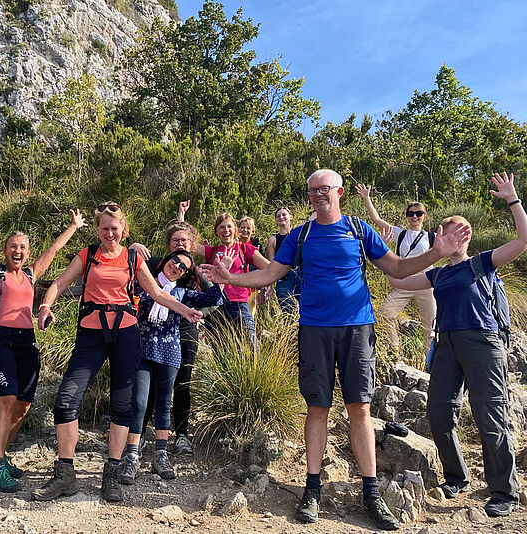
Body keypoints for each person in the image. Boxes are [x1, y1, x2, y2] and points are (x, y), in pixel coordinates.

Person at [200, 169, 471, 531]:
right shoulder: (300, 234)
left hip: (358, 328)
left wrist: (437, 253)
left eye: (323, 189)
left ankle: (370, 492)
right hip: (315, 329)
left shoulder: (359, 229)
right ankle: (312, 488)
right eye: (311, 190)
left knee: (360, 407)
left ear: (339, 192)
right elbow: (271, 274)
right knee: (317, 407)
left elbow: (398, 268)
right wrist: (232, 279)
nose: (316, 195)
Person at [30, 202, 202, 503]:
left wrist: (185, 309)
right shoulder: (89, 255)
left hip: (125, 335)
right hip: (91, 334)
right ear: (97, 230)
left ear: (123, 230)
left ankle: (111, 473)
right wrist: (46, 306)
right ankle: (65, 474)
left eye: (115, 228)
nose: (110, 233)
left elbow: (158, 293)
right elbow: (59, 283)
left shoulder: (133, 258)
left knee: (123, 406)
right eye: (104, 228)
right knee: (66, 400)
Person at [386, 172, 524, 517]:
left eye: (463, 232)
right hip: (446, 344)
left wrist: (512, 199)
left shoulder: (482, 262)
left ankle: (504, 492)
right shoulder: (438, 272)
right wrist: (389, 244)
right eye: (450, 232)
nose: (457, 237)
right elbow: (396, 276)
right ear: (439, 236)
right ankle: (456, 478)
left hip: (482, 341)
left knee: (489, 415)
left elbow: (523, 240)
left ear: (470, 237)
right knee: (438, 412)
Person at [0, 172, 87, 494]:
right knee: (7, 399)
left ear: (27, 252)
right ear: (5, 249)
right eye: (13, 246)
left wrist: (73, 227)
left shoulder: (29, 274)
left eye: (23, 247)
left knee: (23, 406)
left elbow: (53, 251)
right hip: (0, 340)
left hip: (27, 342)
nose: (18, 250)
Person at [120, 250, 225, 484]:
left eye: (183, 267)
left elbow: (213, 300)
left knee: (164, 404)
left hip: (169, 352)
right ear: (166, 260)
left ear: (185, 274)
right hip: (142, 351)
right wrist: (133, 248)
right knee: (139, 403)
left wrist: (217, 277)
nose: (177, 267)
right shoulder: (143, 283)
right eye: (175, 261)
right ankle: (132, 457)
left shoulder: (182, 293)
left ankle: (160, 456)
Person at [356, 184, 436, 353]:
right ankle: (395, 351)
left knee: (430, 327)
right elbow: (377, 220)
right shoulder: (401, 234)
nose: (415, 217)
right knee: (385, 314)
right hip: (404, 280)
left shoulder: (432, 237)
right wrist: (366, 198)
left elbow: (452, 250)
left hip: (425, 282)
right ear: (407, 216)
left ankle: (430, 363)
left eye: (419, 213)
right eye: (411, 214)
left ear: (425, 216)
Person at [179, 201, 269, 343]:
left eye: (229, 226)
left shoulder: (246, 250)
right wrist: (181, 216)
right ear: (216, 232)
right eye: (221, 227)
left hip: (239, 305)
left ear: (235, 230)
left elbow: (270, 268)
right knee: (221, 350)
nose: (225, 230)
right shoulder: (213, 251)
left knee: (252, 347)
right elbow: (188, 244)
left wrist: (265, 286)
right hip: (216, 307)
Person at [266, 206, 301, 314]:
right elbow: (271, 266)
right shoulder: (273, 240)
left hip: (302, 275)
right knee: (289, 312)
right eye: (278, 216)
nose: (281, 217)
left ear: (291, 216)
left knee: (308, 310)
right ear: (276, 220)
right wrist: (269, 285)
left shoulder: (300, 234)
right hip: (284, 279)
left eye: (284, 214)